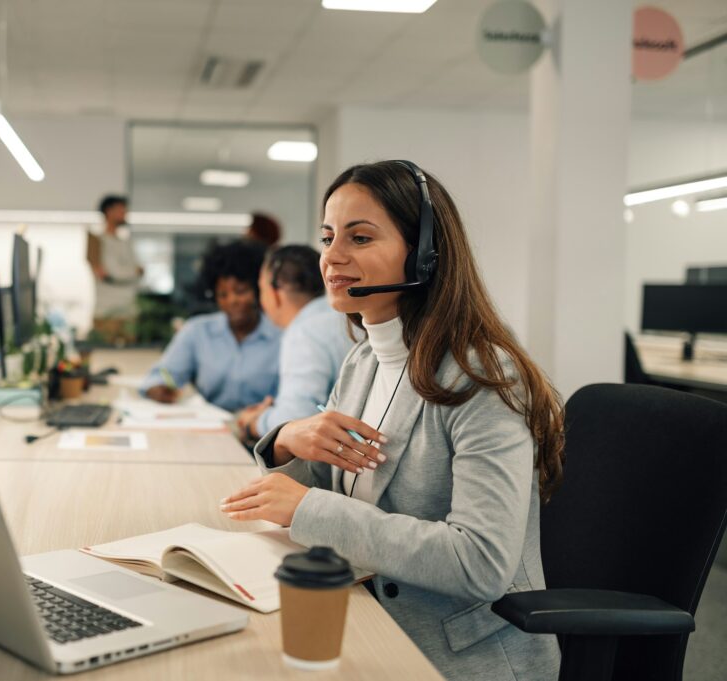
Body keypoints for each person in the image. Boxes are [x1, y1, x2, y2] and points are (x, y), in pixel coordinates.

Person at [219, 161, 564, 681]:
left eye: (359, 238)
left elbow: (480, 562)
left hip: (458, 657)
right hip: (369, 618)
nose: (332, 258)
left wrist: (312, 509)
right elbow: (342, 479)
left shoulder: (481, 378)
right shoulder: (364, 361)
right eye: (328, 237)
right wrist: (287, 440)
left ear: (425, 253)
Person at [140, 239, 281, 412]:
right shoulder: (197, 331)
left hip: (264, 432)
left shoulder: (282, 337)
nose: (232, 301)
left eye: (241, 291)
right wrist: (158, 388)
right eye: (223, 294)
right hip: (211, 427)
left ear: (258, 290)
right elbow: (161, 374)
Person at [236, 245, 352, 441]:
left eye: (261, 289)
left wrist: (253, 422)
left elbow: (296, 417)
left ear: (275, 293)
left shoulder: (304, 332)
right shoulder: (347, 317)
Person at [88, 195, 142, 345]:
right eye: (121, 210)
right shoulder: (97, 242)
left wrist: (128, 272)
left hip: (129, 311)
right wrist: (132, 271)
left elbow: (139, 271)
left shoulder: (126, 243)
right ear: (108, 211)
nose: (125, 213)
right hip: (105, 312)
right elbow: (110, 273)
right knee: (102, 354)